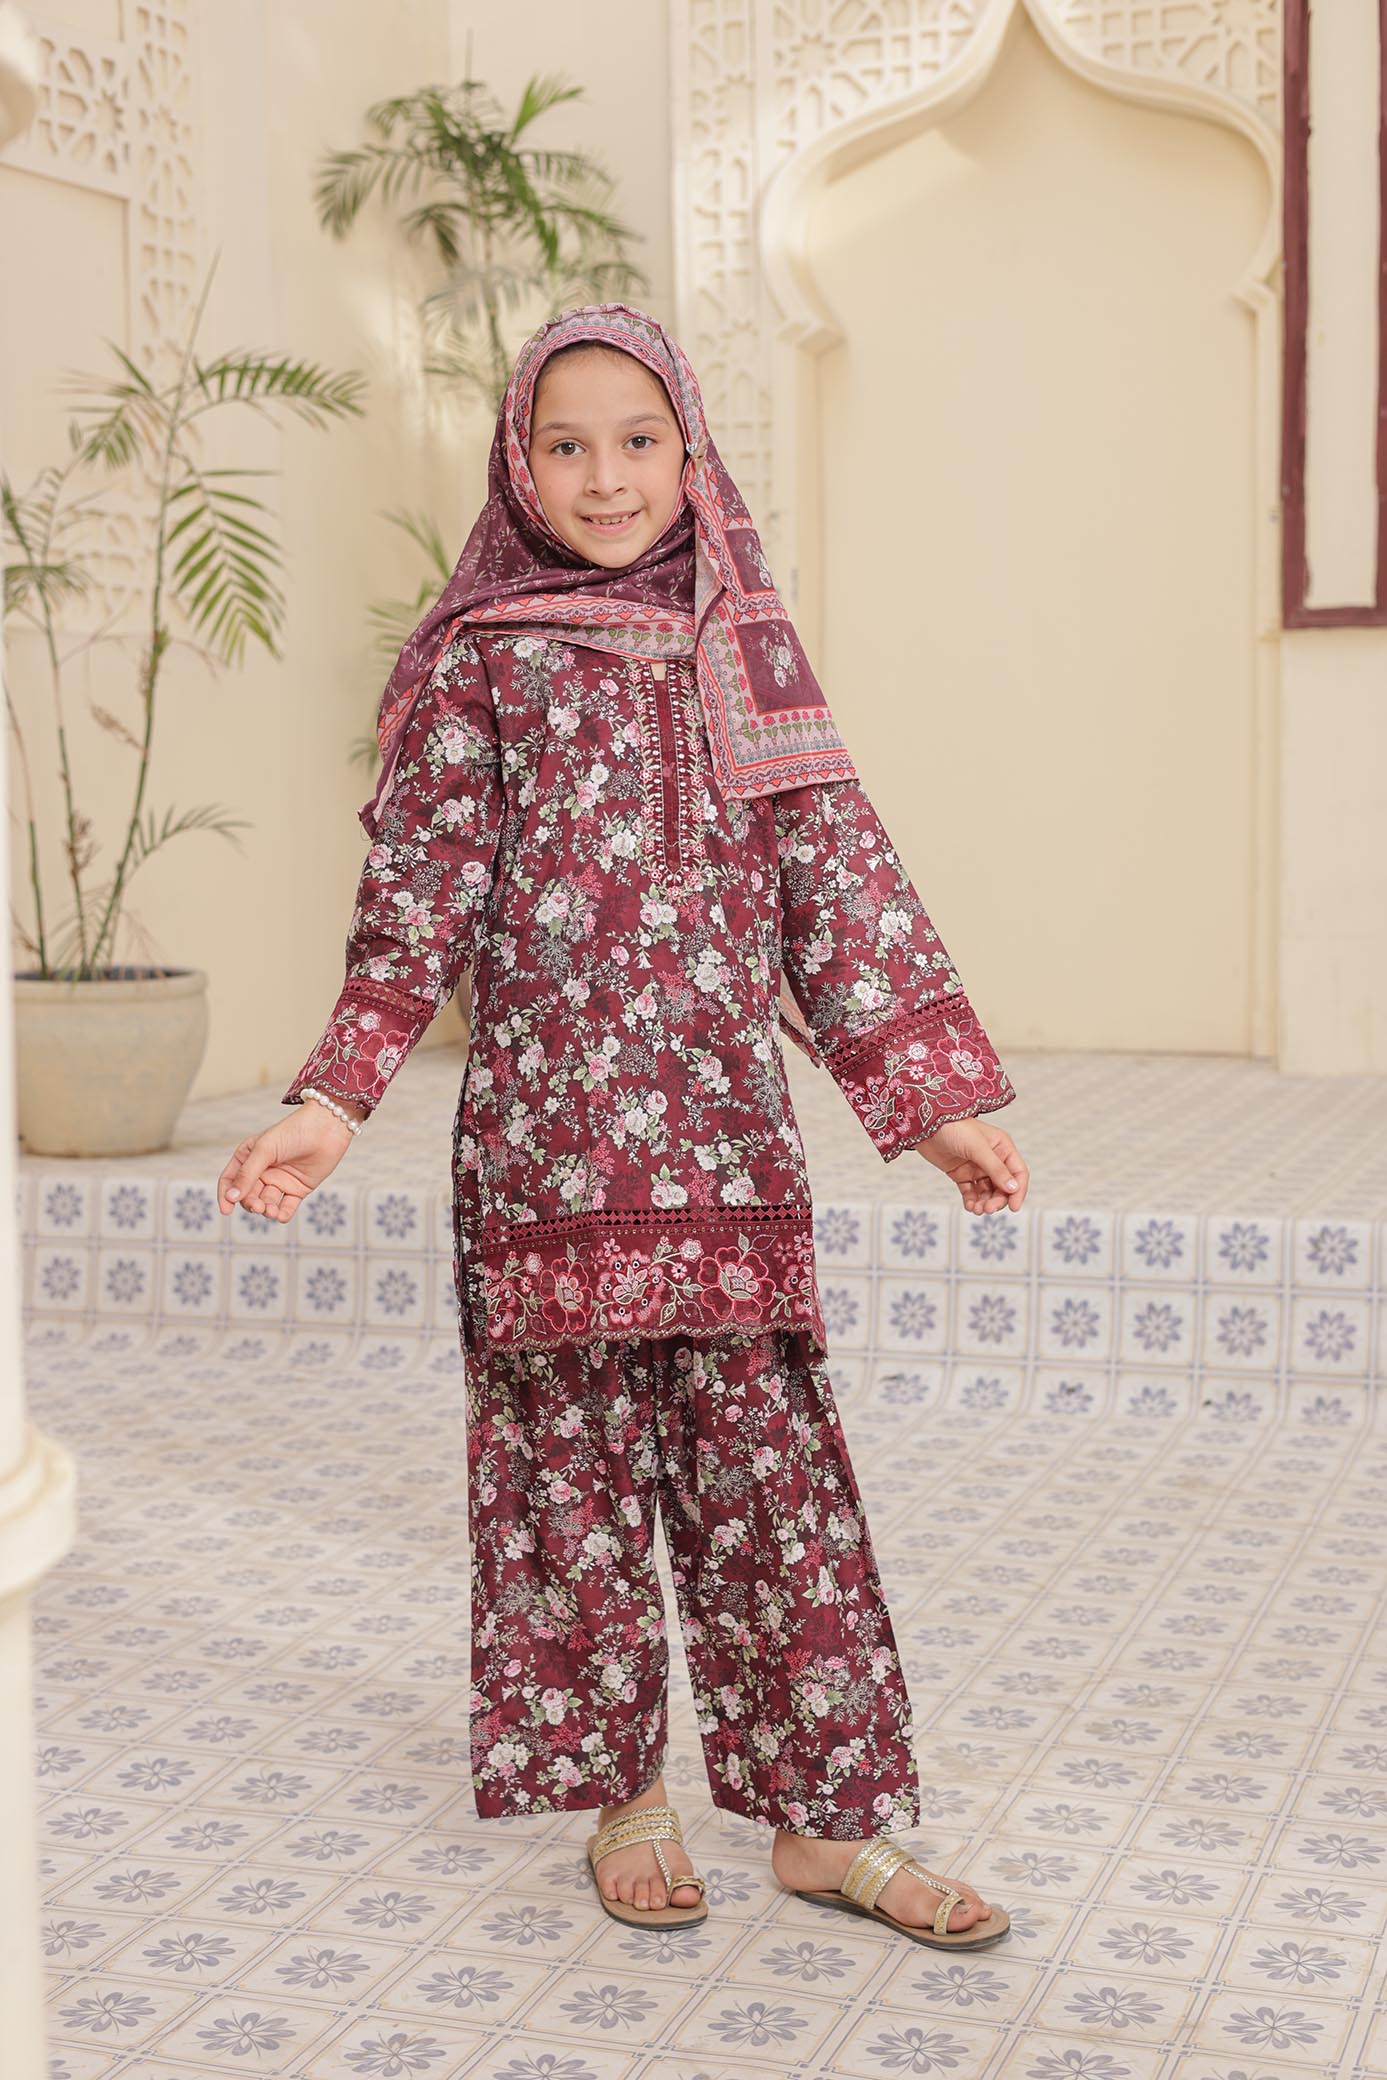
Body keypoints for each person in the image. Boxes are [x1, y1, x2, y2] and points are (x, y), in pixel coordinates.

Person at [218, 302, 1028, 1951]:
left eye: (638, 441)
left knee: (774, 1485)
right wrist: (328, 1102)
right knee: (562, 1487)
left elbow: (830, 884)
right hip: (548, 1159)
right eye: (565, 445)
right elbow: (416, 910)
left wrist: (931, 1107)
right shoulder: (480, 660)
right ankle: (624, 1795)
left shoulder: (744, 638)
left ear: (692, 449)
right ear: (518, 459)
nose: (606, 478)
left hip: (727, 1150)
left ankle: (823, 1824)